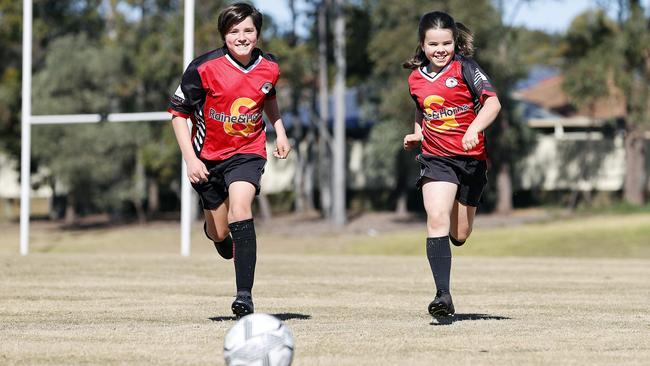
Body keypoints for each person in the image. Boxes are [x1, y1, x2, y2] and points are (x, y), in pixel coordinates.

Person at [167, 2, 290, 318]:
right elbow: (178, 116)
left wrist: (280, 130)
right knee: (221, 233)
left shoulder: (270, 66)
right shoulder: (204, 68)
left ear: (258, 33)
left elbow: (269, 98)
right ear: (224, 34)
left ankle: (244, 297)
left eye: (248, 30)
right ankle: (217, 235)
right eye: (234, 31)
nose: (242, 36)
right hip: (207, 159)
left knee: (241, 207)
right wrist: (191, 160)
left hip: (248, 152)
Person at [402, 11, 501, 318]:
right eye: (433, 44)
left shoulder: (466, 68)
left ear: (455, 42)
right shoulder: (415, 78)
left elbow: (493, 103)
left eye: (446, 43)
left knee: (460, 233)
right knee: (436, 219)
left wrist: (473, 130)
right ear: (422, 44)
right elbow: (423, 110)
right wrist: (417, 135)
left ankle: (460, 228)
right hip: (436, 159)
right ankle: (442, 296)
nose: (440, 49)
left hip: (471, 161)